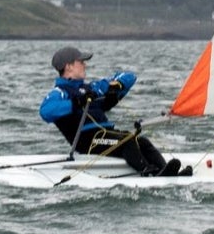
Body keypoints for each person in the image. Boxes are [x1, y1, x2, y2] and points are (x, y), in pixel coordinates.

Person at [39, 46, 191, 177]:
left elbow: (130, 76)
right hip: (87, 142)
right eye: (81, 62)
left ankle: (166, 172)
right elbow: (45, 112)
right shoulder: (59, 92)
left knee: (142, 142)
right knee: (127, 141)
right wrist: (77, 102)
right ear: (69, 66)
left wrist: (115, 86)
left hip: (106, 135)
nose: (85, 65)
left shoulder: (92, 87)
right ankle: (149, 173)